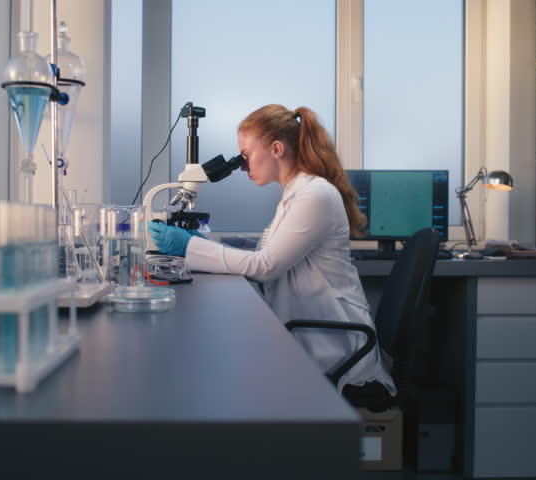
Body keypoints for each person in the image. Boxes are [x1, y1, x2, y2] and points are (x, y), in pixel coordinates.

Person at [148, 104, 395, 399]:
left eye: (246, 155)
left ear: (276, 149)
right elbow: (268, 251)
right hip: (309, 330)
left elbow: (265, 265)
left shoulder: (314, 195)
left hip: (335, 344)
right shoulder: (296, 192)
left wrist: (189, 245)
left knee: (214, 369)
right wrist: (208, 245)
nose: (242, 166)